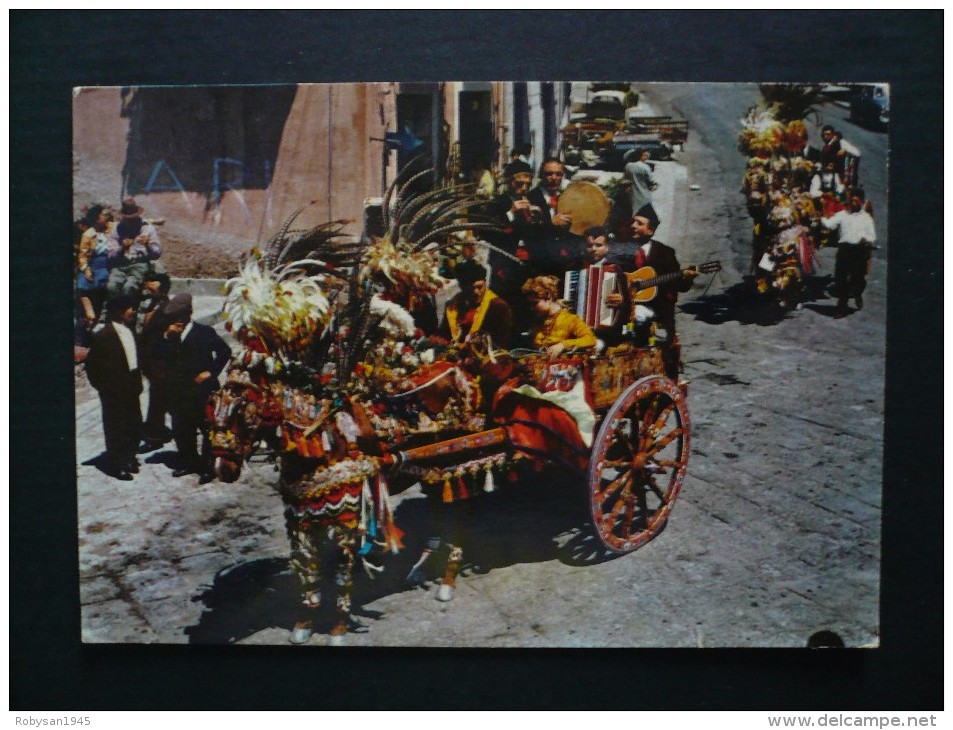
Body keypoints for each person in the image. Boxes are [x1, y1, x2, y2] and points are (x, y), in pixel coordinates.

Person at [158, 293, 232, 483]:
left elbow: (225, 351)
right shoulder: (170, 336)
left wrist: (212, 372)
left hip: (202, 391)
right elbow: (162, 360)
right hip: (180, 393)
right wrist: (167, 338)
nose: (176, 321)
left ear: (187, 315)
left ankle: (207, 467)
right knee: (182, 430)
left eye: (179, 317)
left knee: (207, 429)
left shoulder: (204, 332)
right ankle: (189, 462)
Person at [84, 294, 143, 481]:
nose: (133, 311)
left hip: (131, 385)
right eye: (129, 308)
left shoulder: (130, 330)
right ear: (117, 311)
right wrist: (104, 388)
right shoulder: (104, 336)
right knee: (116, 427)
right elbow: (92, 366)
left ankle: (129, 457)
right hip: (113, 390)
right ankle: (117, 464)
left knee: (133, 423)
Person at [628, 204, 698, 345]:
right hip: (627, 308)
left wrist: (688, 277)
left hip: (658, 311)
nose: (633, 226)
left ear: (650, 231)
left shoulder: (665, 253)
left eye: (639, 223)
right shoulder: (623, 250)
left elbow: (680, 285)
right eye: (633, 222)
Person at [821, 190, 876, 315]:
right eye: (852, 201)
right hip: (844, 250)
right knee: (840, 278)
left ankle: (857, 295)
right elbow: (829, 225)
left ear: (861, 202)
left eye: (857, 201)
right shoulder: (842, 215)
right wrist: (820, 217)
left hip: (858, 250)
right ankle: (842, 306)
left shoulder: (866, 218)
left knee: (857, 279)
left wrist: (866, 240)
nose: (854, 203)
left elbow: (871, 236)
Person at [437, 258, 512, 349]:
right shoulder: (452, 306)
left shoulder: (498, 307)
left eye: (479, 287)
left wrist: (480, 342)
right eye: (471, 289)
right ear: (462, 287)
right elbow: (444, 336)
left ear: (485, 283)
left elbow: (502, 344)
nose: (476, 292)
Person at [136, 273, 173, 452]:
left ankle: (155, 436)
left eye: (152, 284)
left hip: (161, 362)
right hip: (150, 362)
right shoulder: (152, 304)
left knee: (158, 400)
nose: (148, 286)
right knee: (159, 399)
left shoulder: (168, 308)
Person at [521, 275, 597, 358]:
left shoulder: (570, 319)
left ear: (548, 297)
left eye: (535, 303)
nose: (532, 308)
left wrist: (563, 345)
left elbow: (590, 340)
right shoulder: (537, 323)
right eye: (530, 304)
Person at [526, 157, 578, 274]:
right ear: (541, 175)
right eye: (549, 174)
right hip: (540, 265)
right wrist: (551, 224)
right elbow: (529, 234)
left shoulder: (568, 197)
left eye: (558, 174)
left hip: (565, 264)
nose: (554, 178)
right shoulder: (530, 199)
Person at [106, 197, 162, 299]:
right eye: (127, 219)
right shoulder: (117, 229)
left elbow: (157, 254)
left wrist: (148, 245)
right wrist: (122, 248)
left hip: (139, 264)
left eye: (132, 219)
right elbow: (110, 255)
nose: (130, 222)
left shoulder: (147, 228)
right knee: (112, 286)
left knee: (129, 287)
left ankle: (129, 310)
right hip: (120, 265)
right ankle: (116, 310)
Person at [75, 204, 115, 345]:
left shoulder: (110, 229)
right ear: (97, 218)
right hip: (93, 265)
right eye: (104, 215)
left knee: (100, 292)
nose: (107, 216)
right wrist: (86, 269)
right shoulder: (88, 234)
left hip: (106, 266)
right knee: (84, 284)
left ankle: (92, 320)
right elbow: (83, 256)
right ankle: (83, 332)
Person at [624, 147, 658, 218]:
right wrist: (655, 186)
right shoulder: (645, 167)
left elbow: (625, 181)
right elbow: (651, 182)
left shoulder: (627, 166)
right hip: (644, 197)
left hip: (632, 197)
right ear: (640, 156)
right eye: (645, 155)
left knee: (634, 216)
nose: (647, 157)